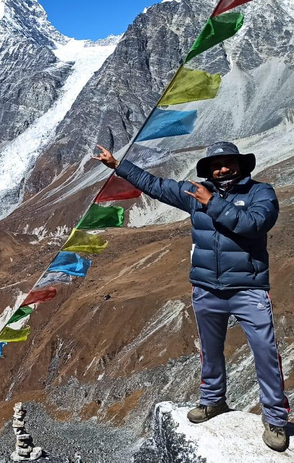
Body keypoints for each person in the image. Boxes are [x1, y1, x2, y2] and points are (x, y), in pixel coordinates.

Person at [93, 141, 290, 452]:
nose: (222, 169)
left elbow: (255, 224)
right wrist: (118, 165)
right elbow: (155, 185)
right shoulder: (193, 193)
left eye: (228, 163)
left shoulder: (259, 193)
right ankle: (213, 401)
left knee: (265, 351)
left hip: (248, 287)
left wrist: (211, 202)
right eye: (216, 165)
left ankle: (276, 419)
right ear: (208, 169)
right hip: (206, 287)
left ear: (241, 165)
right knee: (210, 350)